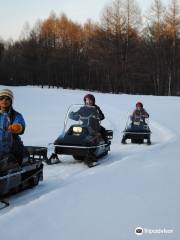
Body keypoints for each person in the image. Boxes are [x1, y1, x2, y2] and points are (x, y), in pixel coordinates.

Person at [0, 89, 26, 164]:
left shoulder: (16, 115)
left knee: (16, 156)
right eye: (1, 98)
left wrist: (18, 127)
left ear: (11, 101)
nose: (4, 101)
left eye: (7, 98)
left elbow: (20, 123)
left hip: (12, 145)